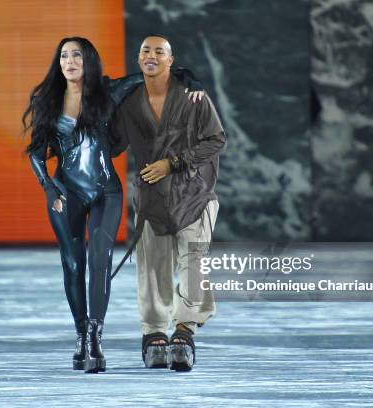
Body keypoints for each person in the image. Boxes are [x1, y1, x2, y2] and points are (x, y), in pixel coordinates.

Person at [22, 37, 202, 373]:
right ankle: (80, 336)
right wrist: (48, 187)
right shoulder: (47, 99)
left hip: (106, 191)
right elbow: (35, 152)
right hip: (66, 192)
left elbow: (156, 73)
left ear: (88, 60)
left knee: (99, 261)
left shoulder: (109, 92)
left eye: (76, 54)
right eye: (64, 55)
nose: (69, 60)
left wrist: (191, 80)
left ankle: (95, 338)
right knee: (73, 265)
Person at [110, 35, 226, 371]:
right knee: (152, 269)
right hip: (151, 200)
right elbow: (113, 143)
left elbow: (216, 140)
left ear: (171, 60)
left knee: (193, 267)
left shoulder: (193, 96)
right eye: (145, 50)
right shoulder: (130, 102)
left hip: (193, 195)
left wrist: (173, 163)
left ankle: (185, 331)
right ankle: (154, 333)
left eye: (159, 51)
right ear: (138, 58)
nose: (151, 55)